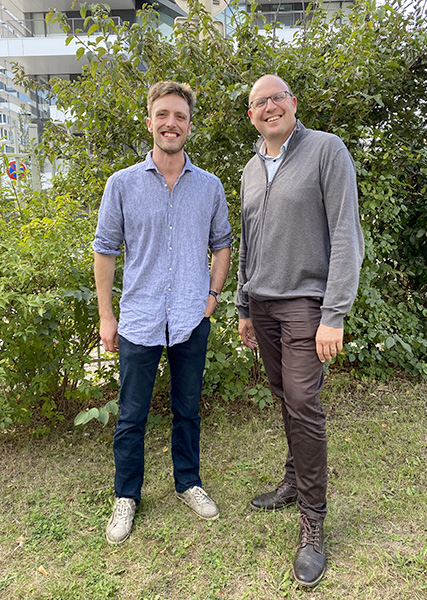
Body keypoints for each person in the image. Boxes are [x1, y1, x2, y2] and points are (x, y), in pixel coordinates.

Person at [236, 74, 364, 587]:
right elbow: (248, 242)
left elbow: (345, 233)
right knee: (283, 395)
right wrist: (243, 305)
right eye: (259, 102)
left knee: (303, 401)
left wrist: (334, 313)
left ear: (292, 103)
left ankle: (313, 520)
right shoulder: (250, 169)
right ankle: (293, 480)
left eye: (277, 98)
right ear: (251, 115)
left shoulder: (326, 151)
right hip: (262, 304)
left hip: (306, 304)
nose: (269, 107)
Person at [93, 81, 232, 545]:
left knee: (187, 410)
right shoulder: (122, 184)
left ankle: (188, 482)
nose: (171, 123)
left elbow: (222, 244)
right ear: (150, 120)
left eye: (180, 116)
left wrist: (212, 296)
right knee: (131, 416)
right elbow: (105, 250)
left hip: (192, 317)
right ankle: (126, 495)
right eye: (163, 114)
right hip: (139, 318)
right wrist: (106, 316)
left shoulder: (209, 186)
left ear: (190, 125)